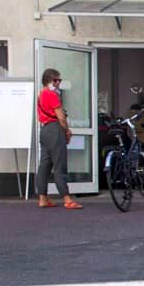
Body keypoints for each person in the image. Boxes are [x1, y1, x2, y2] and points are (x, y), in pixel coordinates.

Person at [36, 68, 82, 209]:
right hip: (55, 129)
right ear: (50, 80)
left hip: (44, 130)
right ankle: (67, 199)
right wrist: (67, 130)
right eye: (57, 80)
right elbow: (60, 116)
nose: (58, 83)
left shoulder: (40, 95)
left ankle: (43, 198)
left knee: (45, 165)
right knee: (59, 164)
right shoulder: (52, 95)